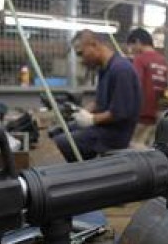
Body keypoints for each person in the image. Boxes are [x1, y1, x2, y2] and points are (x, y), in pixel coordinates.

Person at [53, 30, 141, 162]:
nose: (81, 60)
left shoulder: (121, 69)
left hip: (114, 135)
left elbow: (120, 113)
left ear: (94, 44)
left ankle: (84, 175)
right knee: (58, 131)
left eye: (81, 54)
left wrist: (92, 119)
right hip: (103, 127)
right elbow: (99, 101)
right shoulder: (104, 69)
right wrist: (83, 112)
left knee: (62, 142)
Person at [126, 28, 168, 146]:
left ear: (138, 42)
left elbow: (133, 86)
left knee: (134, 151)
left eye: (132, 46)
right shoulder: (162, 60)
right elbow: (163, 88)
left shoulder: (140, 59)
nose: (132, 51)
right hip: (156, 117)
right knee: (150, 150)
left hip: (140, 117)